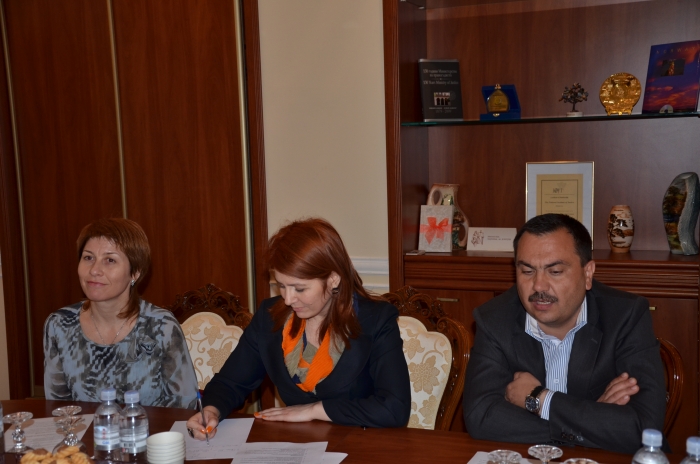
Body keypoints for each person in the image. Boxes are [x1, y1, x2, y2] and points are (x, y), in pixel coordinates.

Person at [187, 218, 410, 439]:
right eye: (281, 286)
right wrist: (211, 410)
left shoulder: (376, 321)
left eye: (300, 289)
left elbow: (394, 408)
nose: (288, 299)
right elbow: (231, 382)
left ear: (333, 279)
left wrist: (314, 410)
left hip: (362, 446)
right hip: (298, 446)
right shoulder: (269, 318)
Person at [463, 214, 666, 454]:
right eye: (527, 271)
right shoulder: (495, 320)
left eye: (555, 271)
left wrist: (539, 399)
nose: (539, 286)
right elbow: (481, 417)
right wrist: (590, 423)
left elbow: (644, 428)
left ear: (588, 273)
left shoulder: (626, 316)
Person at [43, 218, 198, 408]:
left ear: (135, 273)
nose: (94, 270)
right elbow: (58, 408)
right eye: (88, 258)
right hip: (85, 428)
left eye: (110, 260)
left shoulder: (161, 326)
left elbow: (185, 405)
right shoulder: (59, 325)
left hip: (151, 427)